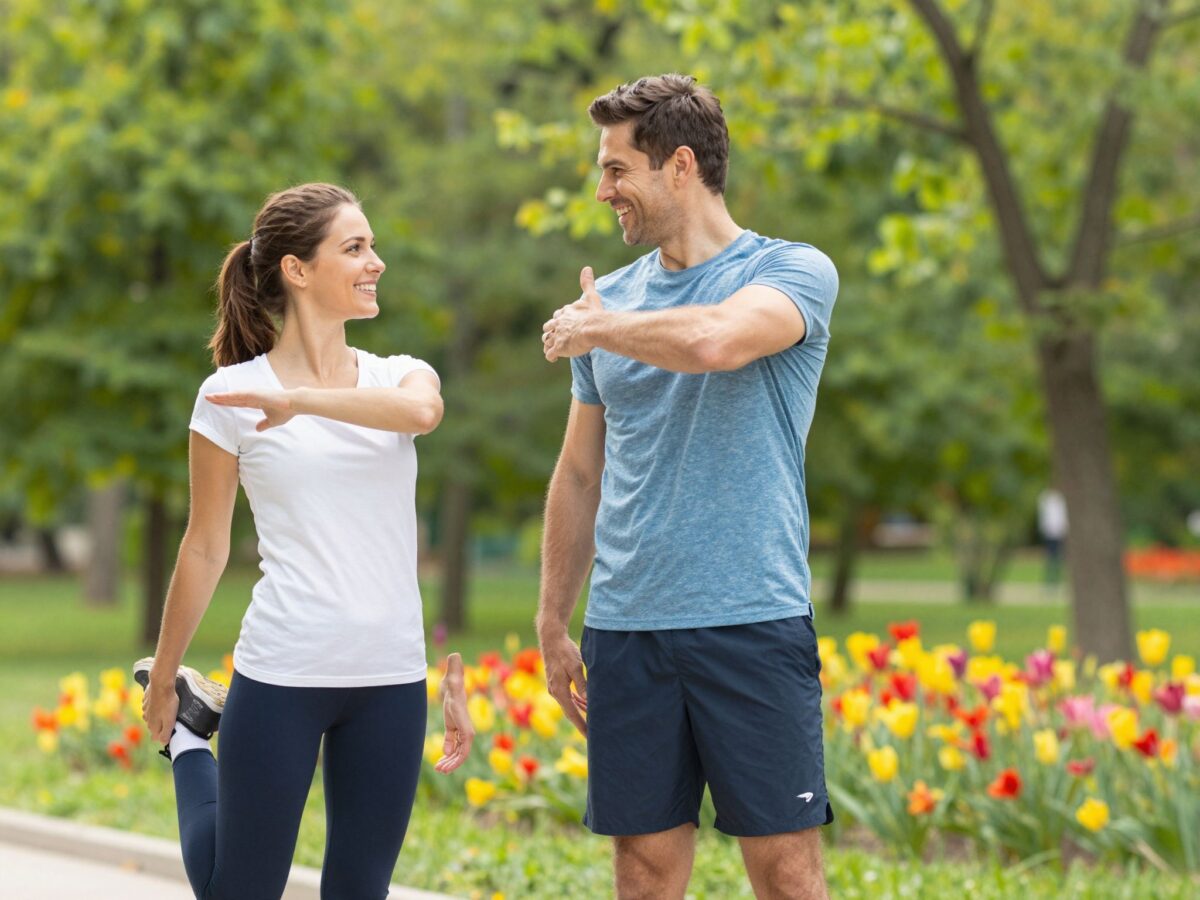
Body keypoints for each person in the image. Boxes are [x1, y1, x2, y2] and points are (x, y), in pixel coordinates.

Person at [537, 75, 838, 899]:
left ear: (679, 165)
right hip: (627, 629)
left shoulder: (791, 271)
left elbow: (715, 342)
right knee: (641, 870)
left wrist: (597, 327)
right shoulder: (611, 303)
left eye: (616, 170)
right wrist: (553, 617)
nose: (603, 191)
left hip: (751, 618)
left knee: (786, 872)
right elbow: (581, 471)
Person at [135, 183, 473, 900]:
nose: (376, 262)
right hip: (284, 670)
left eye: (372, 246)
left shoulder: (398, 375)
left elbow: (422, 412)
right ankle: (191, 740)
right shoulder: (228, 395)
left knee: (360, 889)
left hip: (389, 677)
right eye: (355, 248)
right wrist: (164, 676)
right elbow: (205, 546)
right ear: (297, 269)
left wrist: (300, 402)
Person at [1037, 487, 1068, 589]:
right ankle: (1049, 581)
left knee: (1058, 557)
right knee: (1050, 557)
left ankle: (1056, 580)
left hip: (1059, 533)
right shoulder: (1045, 498)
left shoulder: (1061, 498)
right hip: (1049, 533)